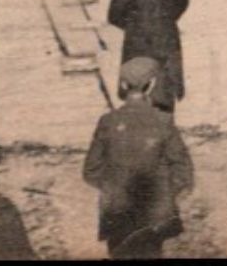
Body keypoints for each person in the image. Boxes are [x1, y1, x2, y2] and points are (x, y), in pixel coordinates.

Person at [82, 57, 194, 259]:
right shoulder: (163, 121)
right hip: (153, 214)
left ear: (123, 85)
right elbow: (182, 170)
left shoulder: (107, 121)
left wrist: (114, 187)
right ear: (152, 85)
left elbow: (91, 171)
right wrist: (164, 193)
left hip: (116, 212)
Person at [107, 0, 190, 111]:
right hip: (139, 47)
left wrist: (166, 21)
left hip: (167, 43)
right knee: (139, 86)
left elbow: (182, 1)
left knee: (167, 88)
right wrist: (137, 28)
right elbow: (114, 16)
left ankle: (166, 128)